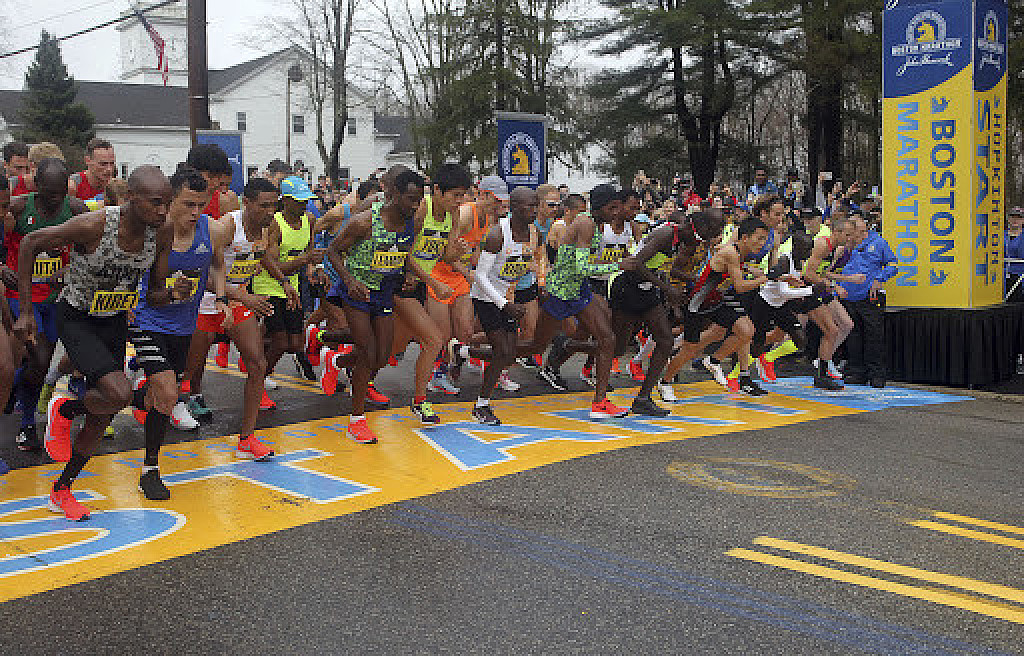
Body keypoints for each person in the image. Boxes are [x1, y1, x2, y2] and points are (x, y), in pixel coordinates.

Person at [13, 166, 176, 521]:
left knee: (103, 415)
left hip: (113, 319)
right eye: (155, 203)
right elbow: (29, 243)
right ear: (131, 198)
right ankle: (65, 408)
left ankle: (62, 488)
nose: (163, 211)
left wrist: (173, 293)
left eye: (167, 203)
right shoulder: (96, 225)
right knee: (119, 393)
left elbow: (155, 293)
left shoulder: (162, 231)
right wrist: (25, 312)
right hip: (76, 317)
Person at [129, 168, 256, 500]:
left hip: (184, 324)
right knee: (168, 392)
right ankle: (150, 470)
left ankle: (103, 400)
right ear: (171, 200)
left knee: (163, 395)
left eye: (201, 204)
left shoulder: (210, 230)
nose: (195, 212)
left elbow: (217, 264)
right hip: (147, 319)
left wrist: (222, 298)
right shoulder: (155, 232)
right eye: (188, 204)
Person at [322, 169, 427, 444]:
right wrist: (349, 280)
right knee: (368, 353)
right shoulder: (365, 221)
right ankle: (356, 420)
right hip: (357, 292)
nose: (415, 206)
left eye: (419, 200)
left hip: (384, 293)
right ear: (394, 194)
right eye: (411, 199)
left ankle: (335, 360)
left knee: (382, 357)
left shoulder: (411, 222)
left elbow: (401, 254)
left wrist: (407, 275)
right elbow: (332, 251)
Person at [2, 159, 89, 452]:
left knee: (39, 363)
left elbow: (88, 251)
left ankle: (15, 392)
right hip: (21, 297)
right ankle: (27, 423)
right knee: (37, 359)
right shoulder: (17, 208)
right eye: (50, 194)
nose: (56, 201)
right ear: (36, 186)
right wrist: (3, 267)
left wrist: (67, 270)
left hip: (54, 299)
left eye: (61, 194)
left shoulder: (75, 210)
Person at [183, 177, 282, 433]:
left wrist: (284, 282)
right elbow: (201, 273)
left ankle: (247, 438)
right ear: (246, 202)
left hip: (236, 299)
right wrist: (239, 296)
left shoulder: (268, 227)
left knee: (258, 364)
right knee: (191, 365)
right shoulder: (227, 227)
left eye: (274, 205)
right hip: (207, 300)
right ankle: (180, 398)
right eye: (264, 205)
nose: (270, 211)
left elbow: (262, 256)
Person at [615, 208, 727, 413]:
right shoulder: (666, 234)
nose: (714, 234)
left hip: (649, 292)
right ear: (698, 225)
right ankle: (569, 346)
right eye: (712, 229)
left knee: (666, 341)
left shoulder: (683, 240)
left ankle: (643, 399)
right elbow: (635, 264)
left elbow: (663, 269)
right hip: (628, 288)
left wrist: (670, 298)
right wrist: (667, 289)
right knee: (616, 348)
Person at [449, 186, 539, 425]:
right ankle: (481, 406)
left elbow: (521, 265)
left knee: (509, 354)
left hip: (507, 296)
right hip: (486, 297)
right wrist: (503, 303)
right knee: (501, 352)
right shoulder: (497, 235)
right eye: (529, 206)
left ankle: (462, 352)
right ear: (514, 208)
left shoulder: (533, 234)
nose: (534, 211)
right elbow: (480, 276)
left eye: (536, 206)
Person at [251, 176, 322, 409]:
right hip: (268, 284)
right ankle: (258, 381)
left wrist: (315, 270)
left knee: (295, 344)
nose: (304, 205)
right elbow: (274, 266)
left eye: (306, 200)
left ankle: (256, 356)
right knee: (281, 341)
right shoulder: (275, 224)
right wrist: (304, 260)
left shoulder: (310, 220)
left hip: (291, 287)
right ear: (285, 201)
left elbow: (309, 252)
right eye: (299, 201)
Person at [840, 217, 898, 387]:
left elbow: (893, 265)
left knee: (874, 336)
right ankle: (856, 372)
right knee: (853, 336)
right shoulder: (846, 245)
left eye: (852, 233)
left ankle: (877, 374)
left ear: (862, 230)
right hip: (848, 296)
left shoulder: (878, 243)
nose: (850, 236)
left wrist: (880, 278)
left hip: (869, 297)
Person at [187, 144, 239, 218]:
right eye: (210, 176)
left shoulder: (225, 201)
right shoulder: (176, 199)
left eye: (219, 177)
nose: (216, 183)